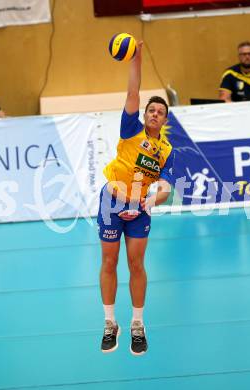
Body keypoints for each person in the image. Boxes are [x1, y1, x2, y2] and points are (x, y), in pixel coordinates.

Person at [97, 41, 174, 355]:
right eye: (151, 110)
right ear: (144, 115)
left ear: (164, 120)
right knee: (109, 261)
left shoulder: (166, 151)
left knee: (136, 264)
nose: (155, 114)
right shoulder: (131, 128)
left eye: (160, 112)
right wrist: (136, 59)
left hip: (140, 206)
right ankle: (109, 323)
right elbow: (133, 91)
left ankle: (138, 325)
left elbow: (167, 188)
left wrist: (149, 202)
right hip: (112, 201)